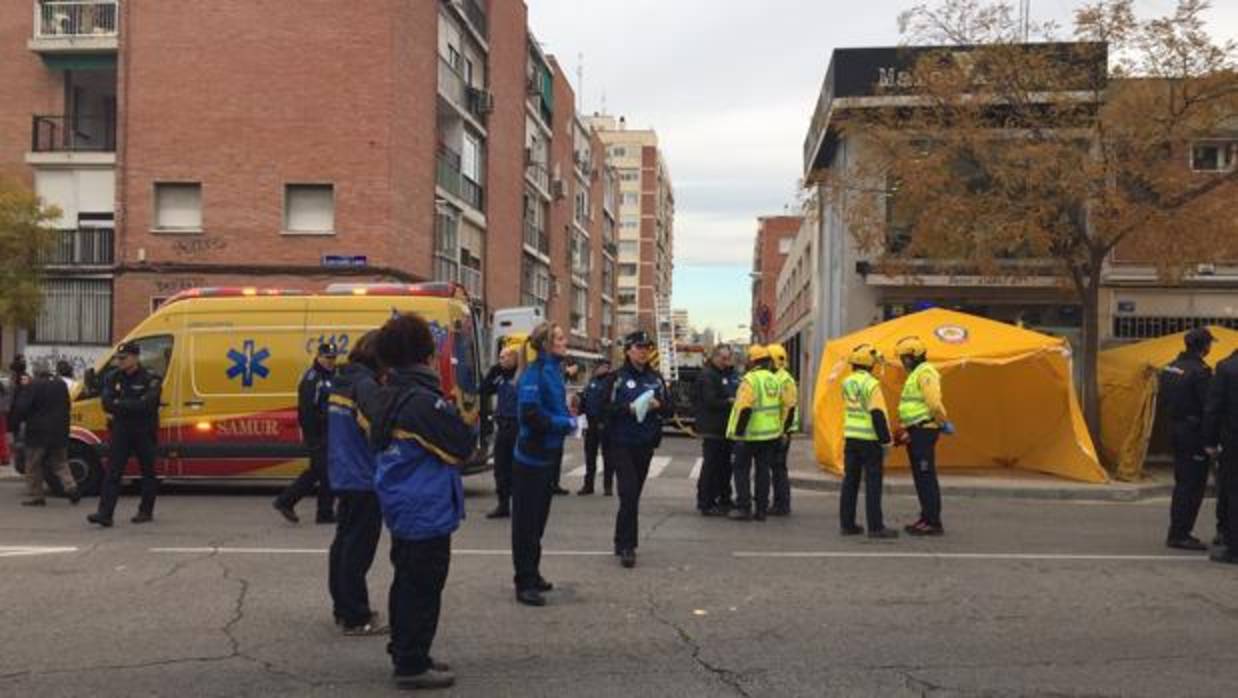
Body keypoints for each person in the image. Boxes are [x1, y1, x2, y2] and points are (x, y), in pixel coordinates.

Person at [364, 312, 473, 690]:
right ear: (424, 354)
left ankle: (409, 650)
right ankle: (411, 663)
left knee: (407, 580)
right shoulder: (422, 401)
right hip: (424, 505)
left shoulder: (388, 391)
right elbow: (462, 444)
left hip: (403, 502)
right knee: (423, 586)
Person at [510, 323, 576, 606]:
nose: (565, 341)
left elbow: (551, 409)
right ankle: (523, 582)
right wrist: (566, 423)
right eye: (560, 338)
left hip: (548, 456)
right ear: (547, 344)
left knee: (539, 521)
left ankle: (533, 572)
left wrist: (571, 411)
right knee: (526, 524)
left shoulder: (554, 371)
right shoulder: (534, 374)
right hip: (531, 458)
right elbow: (531, 416)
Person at [326, 331, 386, 635]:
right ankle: (356, 615)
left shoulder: (342, 380)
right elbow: (377, 429)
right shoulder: (365, 386)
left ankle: (341, 606)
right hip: (363, 475)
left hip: (342, 470)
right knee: (358, 549)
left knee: (343, 543)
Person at [604, 330, 672, 568]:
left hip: (645, 443)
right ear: (628, 350)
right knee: (628, 493)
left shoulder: (656, 379)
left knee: (633, 497)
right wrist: (629, 409)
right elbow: (604, 409)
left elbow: (670, 410)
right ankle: (627, 546)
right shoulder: (617, 378)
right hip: (621, 443)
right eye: (638, 348)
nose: (643, 352)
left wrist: (659, 405)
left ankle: (619, 538)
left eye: (646, 348)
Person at [88, 343, 162, 527]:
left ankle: (145, 511)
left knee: (148, 472)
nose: (120, 362)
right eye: (118, 358)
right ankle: (105, 514)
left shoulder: (150, 378)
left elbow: (147, 405)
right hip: (121, 430)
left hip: (144, 430)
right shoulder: (112, 377)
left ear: (136, 358)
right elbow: (106, 403)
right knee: (113, 472)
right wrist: (129, 404)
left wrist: (120, 404)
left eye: (124, 358)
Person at [1161, 328, 1215, 551]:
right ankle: (1181, 534)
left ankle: (1177, 530)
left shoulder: (1171, 366)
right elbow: (1208, 406)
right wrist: (1211, 438)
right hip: (1194, 432)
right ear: (1204, 346)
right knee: (1192, 486)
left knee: (1182, 482)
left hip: (1176, 427)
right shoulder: (1200, 371)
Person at [274, 343, 339, 524]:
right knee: (323, 471)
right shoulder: (312, 379)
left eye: (333, 358)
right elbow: (307, 412)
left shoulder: (332, 376)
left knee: (320, 471)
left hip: (329, 432)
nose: (330, 361)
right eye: (327, 358)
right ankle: (315, 509)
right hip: (318, 434)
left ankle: (291, 502)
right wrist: (313, 438)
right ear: (319, 357)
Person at [726, 345, 792, 522]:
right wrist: (782, 430)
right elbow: (786, 406)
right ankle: (761, 509)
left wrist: (739, 433)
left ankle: (744, 507)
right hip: (770, 435)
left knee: (741, 470)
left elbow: (745, 408)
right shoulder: (775, 380)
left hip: (750, 435)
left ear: (752, 361)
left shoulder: (750, 380)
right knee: (763, 472)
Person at [894, 336, 952, 536]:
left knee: (926, 476)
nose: (903, 362)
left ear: (913, 357)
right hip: (916, 430)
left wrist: (943, 422)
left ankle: (933, 522)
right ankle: (925, 517)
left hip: (924, 431)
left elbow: (934, 403)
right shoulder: (916, 373)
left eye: (904, 358)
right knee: (920, 477)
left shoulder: (926, 372)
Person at [840, 345, 898, 538]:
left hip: (851, 438)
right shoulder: (871, 384)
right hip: (870, 440)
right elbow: (877, 414)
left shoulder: (846, 383)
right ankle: (875, 527)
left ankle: (847, 524)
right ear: (870, 365)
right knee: (873, 484)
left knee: (850, 482)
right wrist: (886, 441)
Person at [13, 360, 80, 506]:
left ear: (36, 373)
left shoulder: (33, 385)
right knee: (60, 463)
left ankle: (37, 496)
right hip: (59, 431)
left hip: (38, 433)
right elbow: (67, 406)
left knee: (32, 464)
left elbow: (22, 408)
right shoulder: (60, 384)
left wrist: (17, 422)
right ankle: (71, 487)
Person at [1204, 344, 1238, 565]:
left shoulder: (1227, 368)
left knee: (1233, 492)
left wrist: (1210, 441)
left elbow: (1213, 408)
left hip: (1233, 440)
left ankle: (1234, 549)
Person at [695, 345, 738, 516]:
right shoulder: (707, 375)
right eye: (723, 358)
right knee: (711, 466)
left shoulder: (726, 374)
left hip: (725, 428)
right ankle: (706, 501)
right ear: (715, 357)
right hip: (712, 427)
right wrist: (729, 401)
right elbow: (709, 400)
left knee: (724, 466)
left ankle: (724, 498)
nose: (726, 362)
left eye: (728, 358)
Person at [481, 344, 520, 518]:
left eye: (505, 357)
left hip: (517, 426)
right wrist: (495, 370)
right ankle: (503, 503)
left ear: (514, 358)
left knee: (517, 467)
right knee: (500, 467)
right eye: (500, 357)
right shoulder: (500, 375)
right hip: (503, 425)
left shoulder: (521, 375)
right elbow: (483, 390)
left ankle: (520, 503)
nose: (501, 360)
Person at [767, 344, 799, 517]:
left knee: (779, 467)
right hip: (778, 430)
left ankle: (782, 504)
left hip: (782, 431)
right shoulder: (778, 377)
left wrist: (784, 432)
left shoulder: (784, 379)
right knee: (776, 467)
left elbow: (790, 407)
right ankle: (779, 503)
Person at [578, 360, 613, 496]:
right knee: (590, 456)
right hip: (591, 422)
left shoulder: (610, 382)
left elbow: (609, 402)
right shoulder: (592, 381)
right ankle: (588, 485)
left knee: (608, 457)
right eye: (600, 367)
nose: (602, 369)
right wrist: (580, 410)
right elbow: (585, 399)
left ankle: (608, 486)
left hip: (604, 423)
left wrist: (605, 420)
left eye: (606, 367)